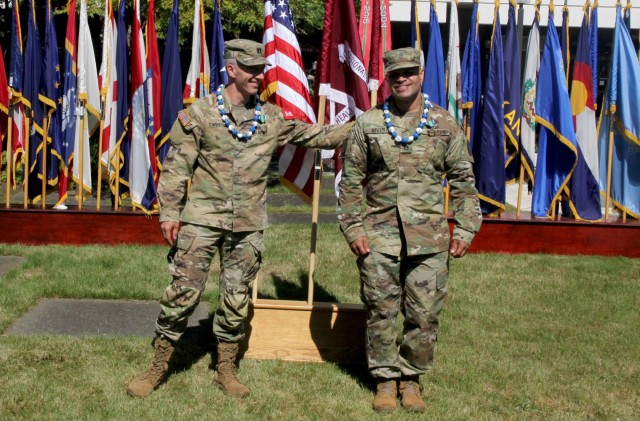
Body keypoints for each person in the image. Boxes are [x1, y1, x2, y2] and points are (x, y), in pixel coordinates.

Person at [127, 39, 352, 398]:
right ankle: (158, 366)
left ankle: (226, 368)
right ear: (231, 69)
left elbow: (316, 135)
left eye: (261, 69)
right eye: (250, 69)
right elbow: (175, 168)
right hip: (202, 222)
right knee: (182, 294)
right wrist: (169, 212)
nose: (258, 76)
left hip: (247, 227)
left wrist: (362, 123)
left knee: (235, 299)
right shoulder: (199, 114)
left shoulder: (271, 117)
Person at [337, 47, 482, 413]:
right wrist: (353, 228)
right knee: (381, 310)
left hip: (429, 239)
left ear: (420, 74)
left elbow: (464, 181)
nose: (402, 79)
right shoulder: (369, 124)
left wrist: (465, 229)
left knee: (423, 314)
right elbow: (351, 181)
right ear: (387, 78)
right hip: (379, 236)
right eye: (395, 74)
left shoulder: (444, 124)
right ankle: (385, 379)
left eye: (408, 73)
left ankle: (412, 378)